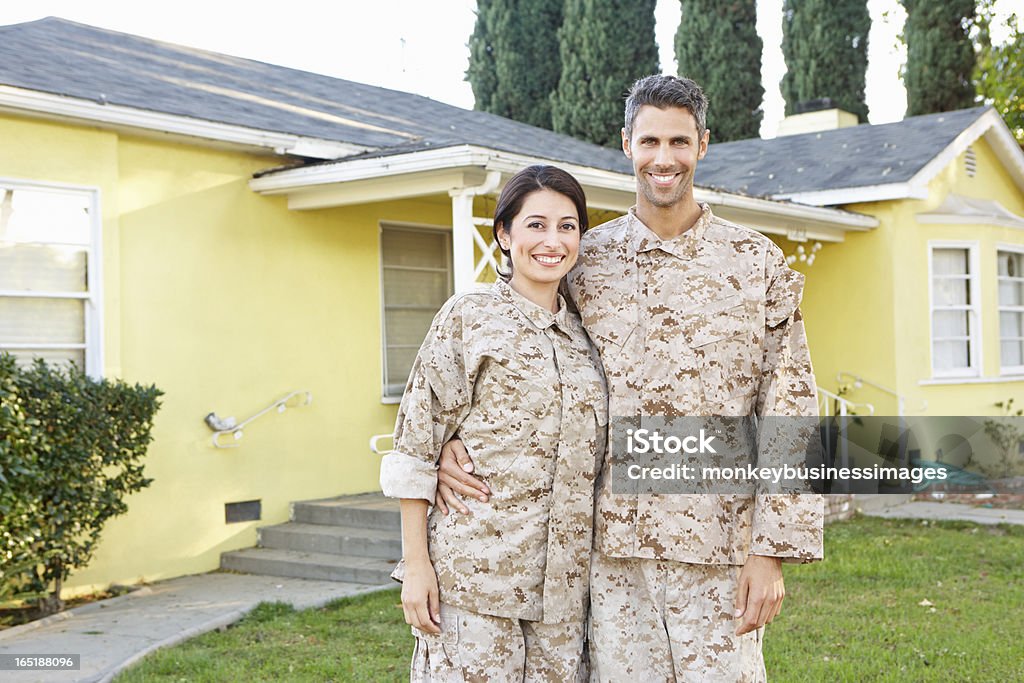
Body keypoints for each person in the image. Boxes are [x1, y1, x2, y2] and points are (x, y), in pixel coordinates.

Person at [435, 75, 824, 681]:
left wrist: (772, 550)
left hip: (719, 553)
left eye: (678, 141)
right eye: (649, 141)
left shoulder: (754, 262)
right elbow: (513, 348)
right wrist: (448, 445)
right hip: (611, 557)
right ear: (626, 144)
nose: (662, 158)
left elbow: (791, 409)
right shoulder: (586, 258)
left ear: (702, 144)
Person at [379, 165, 608, 682]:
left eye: (568, 226)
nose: (552, 241)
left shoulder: (588, 336)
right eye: (536, 225)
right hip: (476, 583)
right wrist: (416, 567)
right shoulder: (469, 316)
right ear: (504, 234)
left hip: (564, 595)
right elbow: (414, 447)